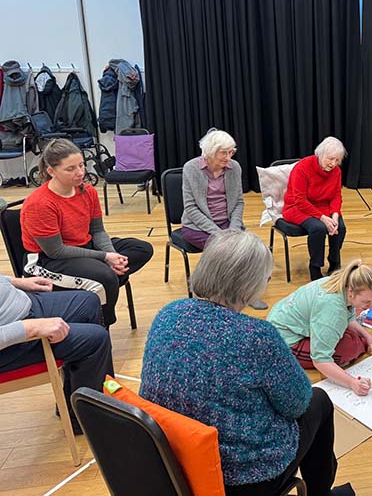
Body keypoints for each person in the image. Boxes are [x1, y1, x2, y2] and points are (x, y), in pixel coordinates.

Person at [140, 229, 354, 496]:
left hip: (171, 460)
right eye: (265, 278)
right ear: (249, 286)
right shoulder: (257, 336)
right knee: (319, 400)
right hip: (242, 478)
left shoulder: (167, 314)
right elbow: (298, 403)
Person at [20, 139, 154, 327]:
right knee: (105, 276)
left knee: (141, 248)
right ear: (51, 171)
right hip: (48, 261)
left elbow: (98, 231)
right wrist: (105, 257)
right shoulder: (40, 203)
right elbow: (56, 251)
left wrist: (112, 255)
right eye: (70, 169)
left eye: (82, 165)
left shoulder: (87, 191)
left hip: (84, 249)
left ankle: (104, 281)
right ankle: (103, 323)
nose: (80, 172)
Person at [0, 269, 112, 433]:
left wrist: (13, 281)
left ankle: (73, 406)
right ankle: (85, 422)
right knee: (96, 340)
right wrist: (31, 328)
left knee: (88, 302)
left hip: (19, 306)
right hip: (11, 338)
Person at [268, 259, 372, 396]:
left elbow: (349, 317)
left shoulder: (343, 282)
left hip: (284, 320)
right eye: (366, 302)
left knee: (353, 338)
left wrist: (368, 337)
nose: (371, 306)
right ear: (350, 293)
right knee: (351, 348)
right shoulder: (332, 311)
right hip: (284, 342)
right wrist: (352, 383)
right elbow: (320, 359)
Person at [282, 137, 347, 280]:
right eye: (330, 159)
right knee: (318, 228)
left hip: (322, 206)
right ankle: (315, 266)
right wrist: (323, 218)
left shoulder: (336, 171)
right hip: (297, 207)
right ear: (320, 154)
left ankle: (334, 261)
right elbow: (300, 200)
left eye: (337, 160)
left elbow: (336, 195)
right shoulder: (302, 167)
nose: (333, 164)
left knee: (340, 227)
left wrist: (335, 215)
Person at [180, 128, 245, 250]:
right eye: (224, 153)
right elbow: (190, 207)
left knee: (247, 248)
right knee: (226, 250)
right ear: (210, 151)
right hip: (197, 227)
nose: (228, 157)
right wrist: (219, 233)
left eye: (231, 152)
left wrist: (234, 229)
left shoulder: (234, 167)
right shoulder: (191, 168)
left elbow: (238, 202)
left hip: (228, 224)